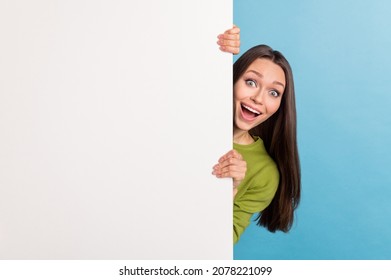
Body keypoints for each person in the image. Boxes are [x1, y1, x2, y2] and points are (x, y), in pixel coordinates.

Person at [213, 26, 301, 244]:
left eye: (274, 92)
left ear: (280, 106)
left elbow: (219, 245)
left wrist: (230, 189)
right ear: (232, 80)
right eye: (251, 82)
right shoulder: (193, 118)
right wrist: (213, 50)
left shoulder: (265, 173)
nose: (259, 99)